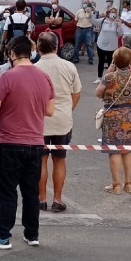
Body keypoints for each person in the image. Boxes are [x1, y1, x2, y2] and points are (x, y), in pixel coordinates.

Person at [0, 36, 54, 249]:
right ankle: (32, 233)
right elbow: (49, 110)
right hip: (36, 143)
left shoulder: (7, 77)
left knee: (7, 192)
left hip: (10, 142)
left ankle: (2, 234)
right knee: (30, 192)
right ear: (31, 52)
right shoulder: (44, 77)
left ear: (11, 53)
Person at [35, 32, 82, 212]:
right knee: (60, 160)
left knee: (41, 161)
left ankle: (41, 198)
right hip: (62, 119)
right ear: (57, 46)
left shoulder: (35, 68)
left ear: (38, 48)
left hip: (41, 120)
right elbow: (76, 93)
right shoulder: (68, 66)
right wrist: (68, 110)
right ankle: (57, 199)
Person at [95, 47, 131, 194]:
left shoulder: (109, 78)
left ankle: (116, 185)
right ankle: (128, 183)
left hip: (114, 116)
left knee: (114, 151)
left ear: (114, 61)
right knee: (128, 150)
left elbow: (98, 93)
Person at [95, 5, 122, 81]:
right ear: (108, 13)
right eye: (111, 12)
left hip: (112, 46)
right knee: (101, 61)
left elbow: (120, 33)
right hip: (101, 45)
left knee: (111, 62)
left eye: (114, 12)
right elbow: (94, 22)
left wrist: (119, 25)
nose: (113, 13)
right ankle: (99, 77)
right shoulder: (103, 20)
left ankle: (110, 78)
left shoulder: (117, 22)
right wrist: (89, 15)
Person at [73, 0, 96, 64]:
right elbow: (75, 20)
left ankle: (90, 59)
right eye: (84, 3)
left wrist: (89, 11)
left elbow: (93, 18)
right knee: (77, 45)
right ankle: (76, 58)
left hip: (88, 29)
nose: (85, 4)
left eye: (86, 3)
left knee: (89, 45)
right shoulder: (79, 11)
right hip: (79, 29)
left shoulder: (90, 12)